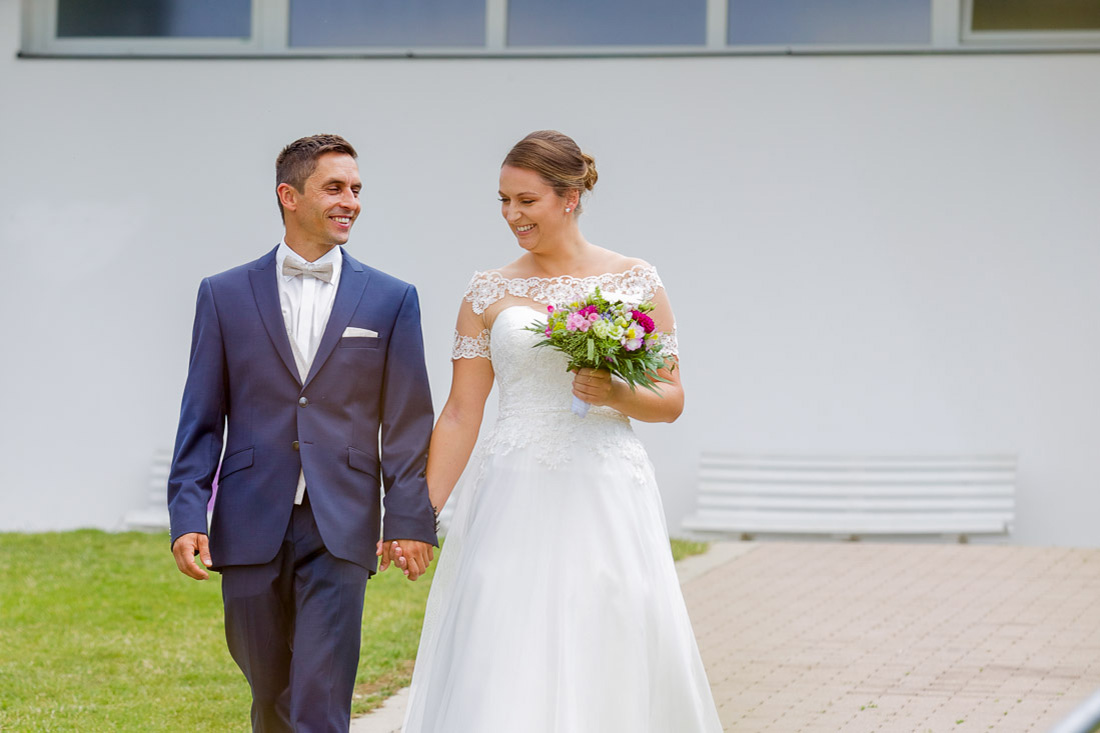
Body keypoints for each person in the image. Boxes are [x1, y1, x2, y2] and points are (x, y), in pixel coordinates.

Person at [400, 130, 722, 732]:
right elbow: (462, 413)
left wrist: (616, 391)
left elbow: (671, 399)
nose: (512, 215)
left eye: (526, 201)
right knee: (502, 634)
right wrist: (421, 512)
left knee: (608, 624)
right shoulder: (487, 291)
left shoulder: (634, 280)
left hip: (605, 487)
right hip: (512, 490)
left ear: (569, 197)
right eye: (503, 201)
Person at [167, 134, 437, 733]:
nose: (351, 201)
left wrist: (410, 519)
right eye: (335, 188)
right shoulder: (224, 294)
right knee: (270, 693)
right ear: (289, 195)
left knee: (321, 696)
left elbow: (407, 421)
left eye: (357, 189)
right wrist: (188, 513)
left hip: (340, 520)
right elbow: (201, 417)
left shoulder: (393, 299)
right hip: (248, 517)